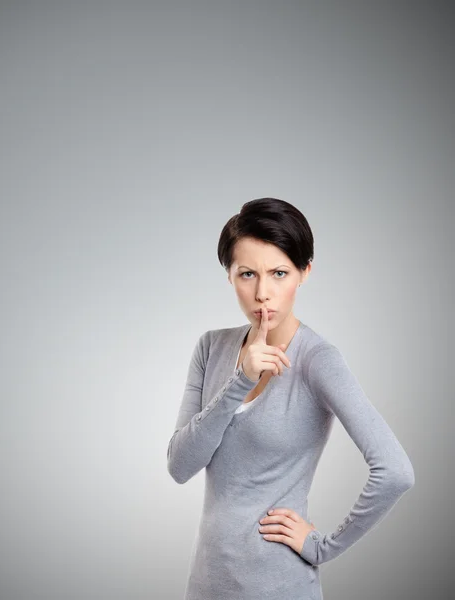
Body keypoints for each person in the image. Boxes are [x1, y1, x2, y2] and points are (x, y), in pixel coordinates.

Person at [166, 197, 415, 600]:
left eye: (279, 273)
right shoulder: (211, 348)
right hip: (206, 584)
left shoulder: (318, 361)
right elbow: (180, 466)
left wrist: (323, 546)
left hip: (278, 586)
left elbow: (395, 471)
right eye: (247, 274)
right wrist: (240, 381)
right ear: (229, 277)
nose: (263, 293)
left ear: (304, 273)